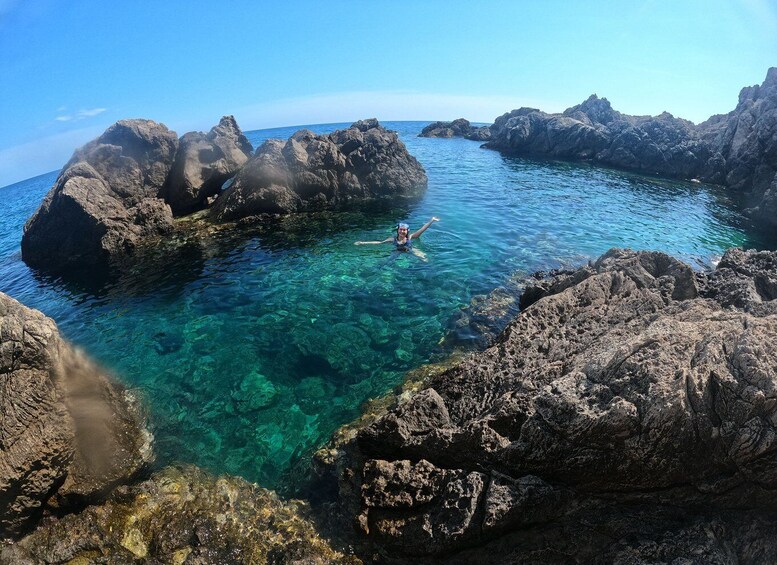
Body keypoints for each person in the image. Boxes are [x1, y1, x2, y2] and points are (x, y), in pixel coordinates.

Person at [355, 217, 440, 260]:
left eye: (404, 230)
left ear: (407, 231)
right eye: (400, 230)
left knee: (425, 260)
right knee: (388, 261)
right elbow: (379, 243)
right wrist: (362, 243)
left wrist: (431, 221)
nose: (402, 232)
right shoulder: (392, 239)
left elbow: (422, 229)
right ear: (398, 230)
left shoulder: (410, 237)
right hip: (397, 251)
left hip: (410, 249)